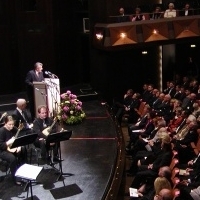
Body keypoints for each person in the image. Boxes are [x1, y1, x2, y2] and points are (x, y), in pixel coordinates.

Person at [0, 116, 26, 185]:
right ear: (5, 123)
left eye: (12, 124)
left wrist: (19, 146)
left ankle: (23, 170)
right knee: (12, 158)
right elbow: (1, 145)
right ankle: (15, 178)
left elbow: (19, 138)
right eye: (9, 124)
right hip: (3, 150)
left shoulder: (14, 129)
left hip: (13, 148)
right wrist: (8, 142)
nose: (11, 126)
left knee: (23, 149)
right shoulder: (1, 131)